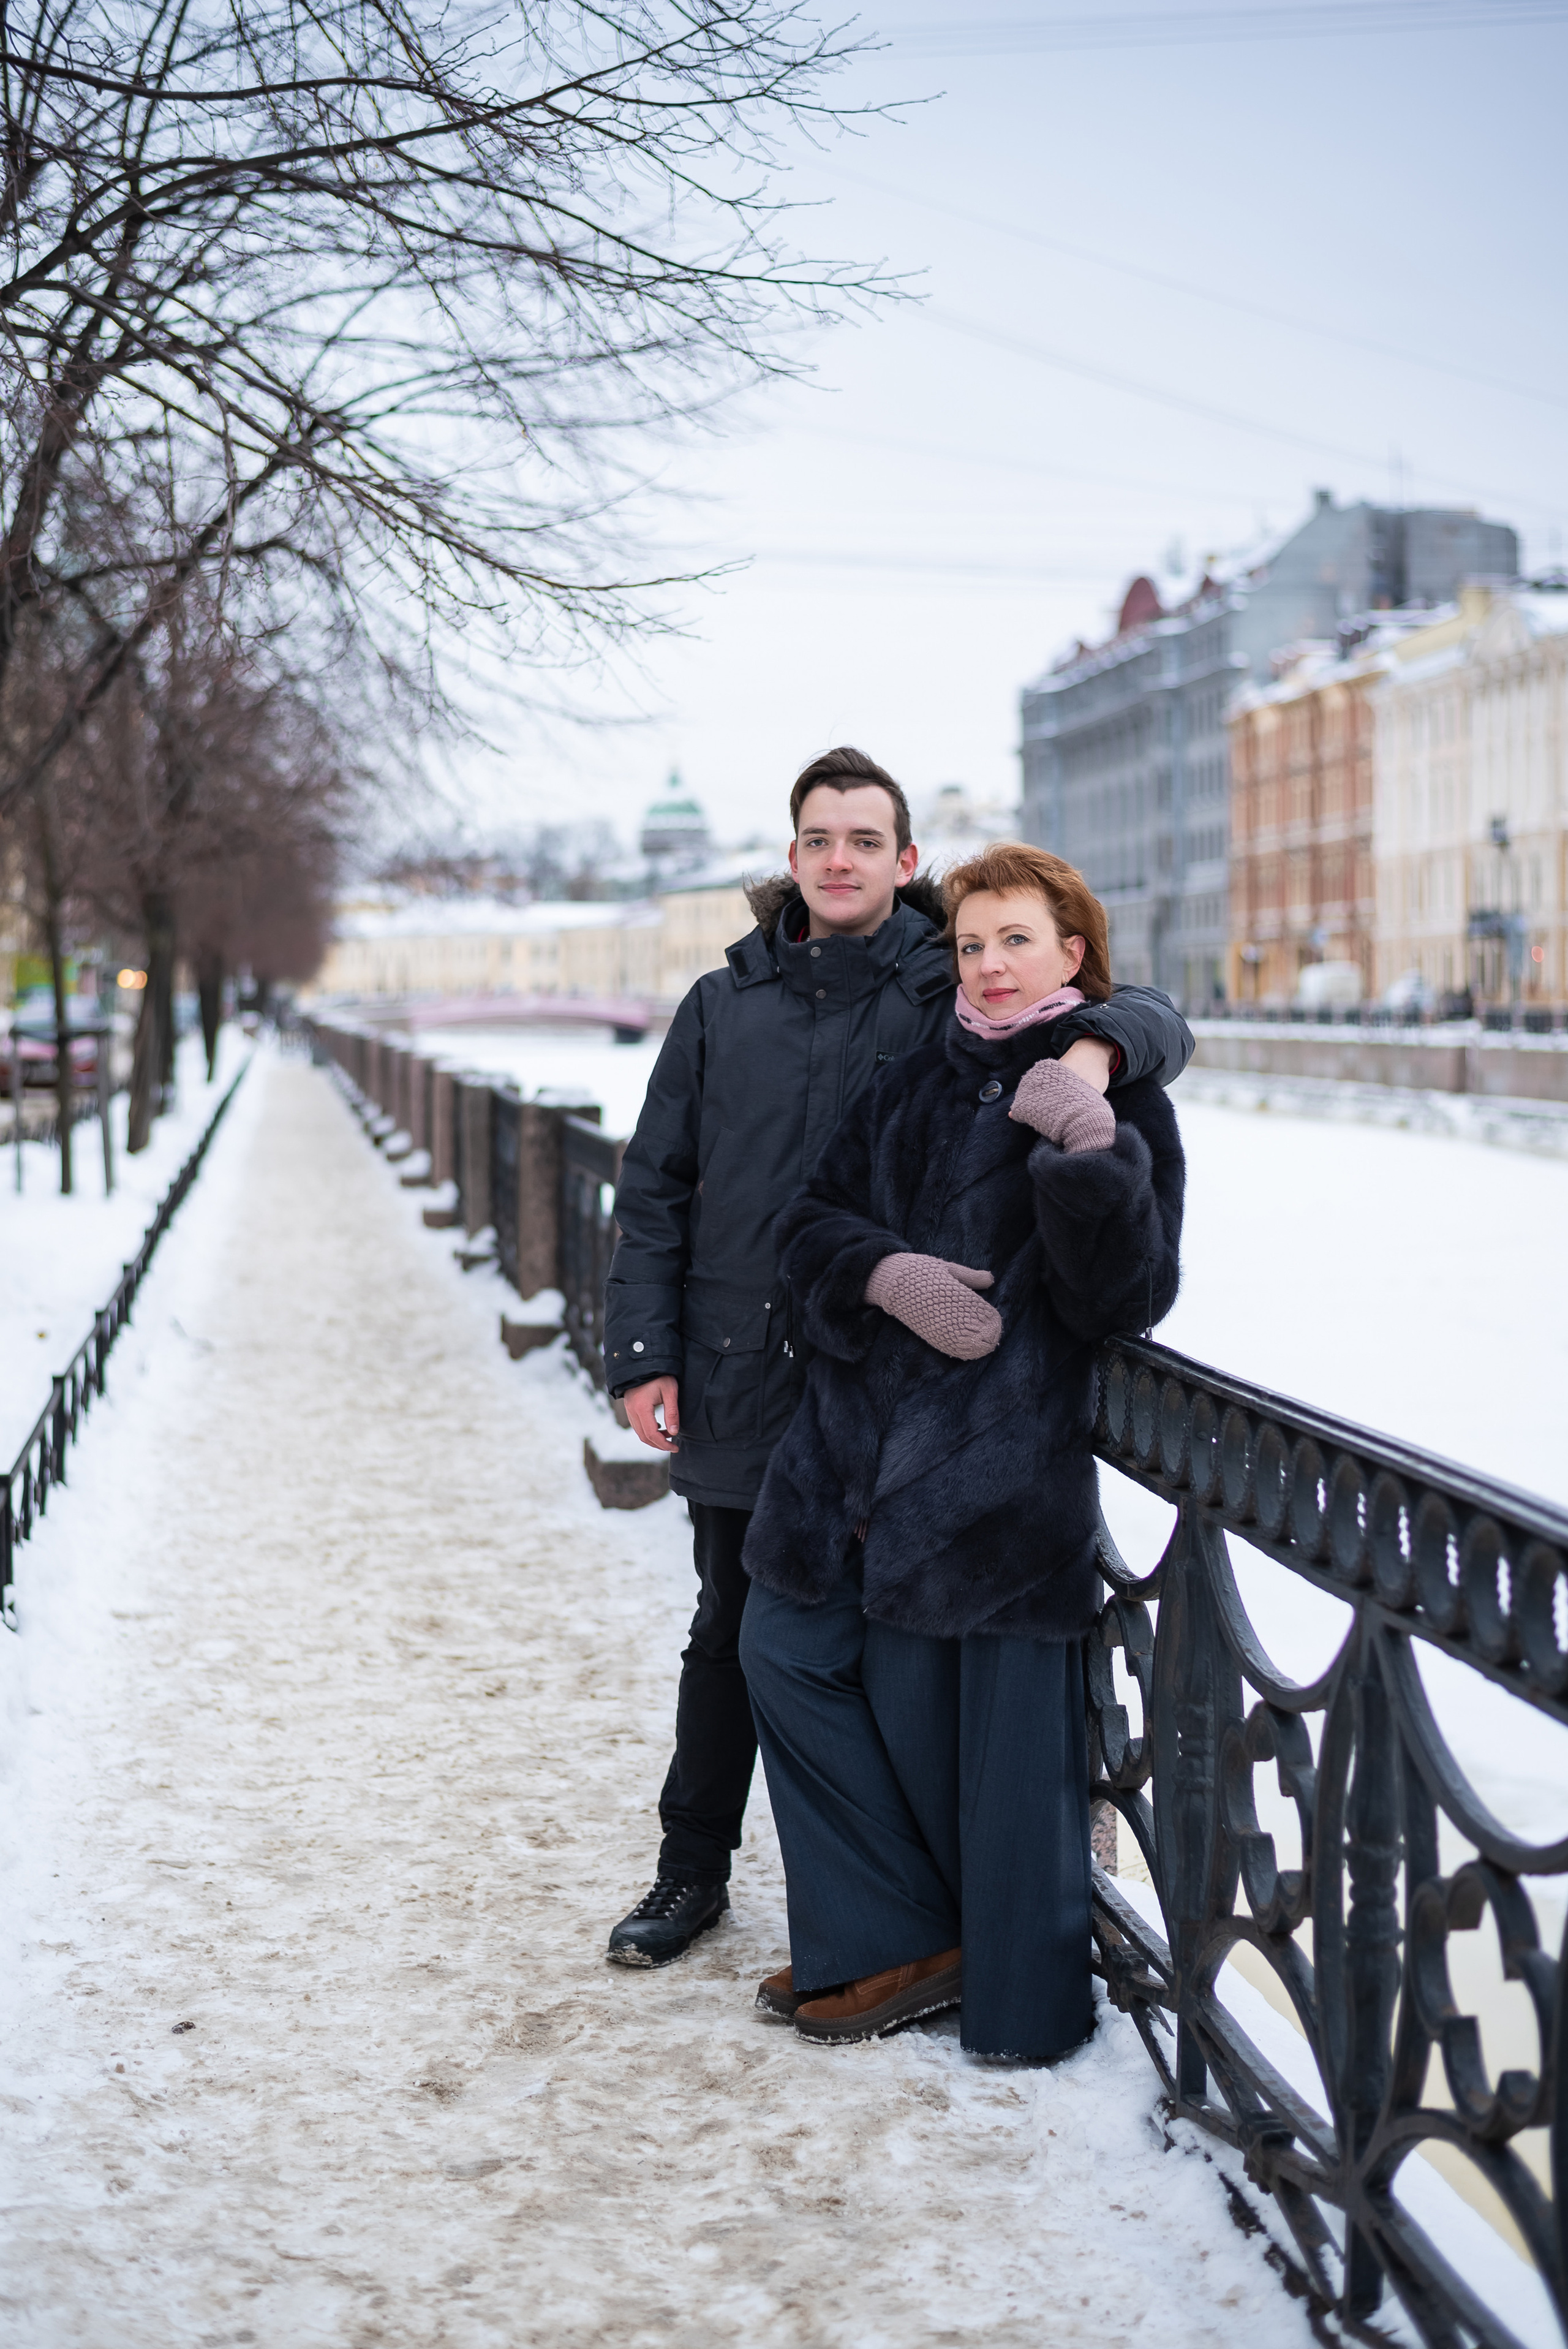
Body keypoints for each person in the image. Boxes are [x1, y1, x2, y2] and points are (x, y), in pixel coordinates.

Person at [601, 756, 1193, 1967]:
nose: (839, 860)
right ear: (791, 858)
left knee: (877, 1648)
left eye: (864, 841)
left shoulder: (949, 978)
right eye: (818, 839)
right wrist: (643, 1352)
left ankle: (900, 1918)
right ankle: (691, 1869)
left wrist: (1095, 1056)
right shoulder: (721, 1003)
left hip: (898, 1387)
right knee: (733, 1632)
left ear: (903, 861)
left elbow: (1136, 1009)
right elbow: (654, 1183)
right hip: (745, 1363)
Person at [737, 842, 1184, 2059]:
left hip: (989, 1489)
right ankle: (892, 1938)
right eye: (972, 944)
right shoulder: (913, 1082)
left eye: (1015, 942)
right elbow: (807, 1223)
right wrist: (880, 1273)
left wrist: (1088, 1155)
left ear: (1069, 951)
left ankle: (987, 1995)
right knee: (779, 1656)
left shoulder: (1120, 1097)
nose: (988, 966)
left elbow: (1124, 1299)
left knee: (983, 1760)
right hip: (840, 1467)